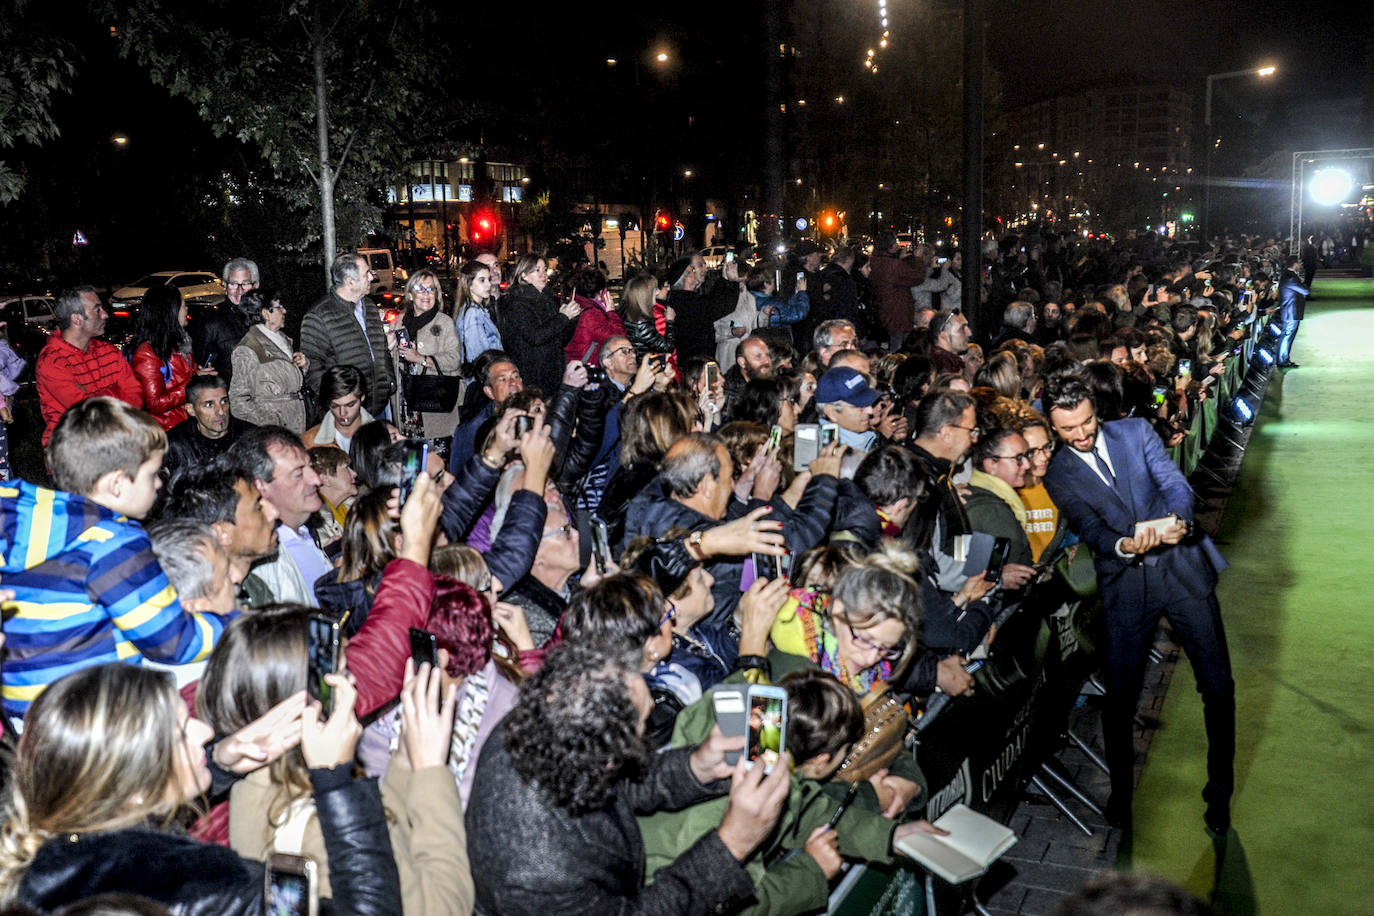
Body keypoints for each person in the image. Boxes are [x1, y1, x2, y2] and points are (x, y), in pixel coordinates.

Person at [0, 663, 401, 913]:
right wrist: (334, 780)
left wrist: (219, 765)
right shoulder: (208, 886)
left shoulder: (47, 867)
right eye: (179, 734)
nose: (205, 730)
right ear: (136, 787)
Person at [464, 640, 792, 916]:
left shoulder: (544, 719)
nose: (647, 734)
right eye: (643, 725)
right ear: (608, 759)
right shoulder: (537, 877)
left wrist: (695, 767)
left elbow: (618, 786)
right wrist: (732, 844)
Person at [1042, 374, 1234, 834]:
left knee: (1219, 689)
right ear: (1053, 426)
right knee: (1120, 701)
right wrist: (1126, 545)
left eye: (1087, 422)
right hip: (1126, 588)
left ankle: (1220, 795)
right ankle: (1121, 797)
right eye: (1069, 430)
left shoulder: (1135, 432)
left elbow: (1175, 484)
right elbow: (1091, 529)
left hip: (1183, 573)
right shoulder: (1058, 474)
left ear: (1096, 410)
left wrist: (1177, 521)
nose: (1082, 434)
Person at [199, 606, 472, 915]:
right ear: (306, 703)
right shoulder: (318, 827)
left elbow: (385, 839)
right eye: (343, 674)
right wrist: (431, 771)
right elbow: (445, 905)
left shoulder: (255, 776)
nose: (353, 685)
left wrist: (407, 759)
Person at [0, 397, 233, 719]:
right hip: (90, 718)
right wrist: (233, 623)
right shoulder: (114, 543)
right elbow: (174, 642)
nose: (160, 483)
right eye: (152, 473)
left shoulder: (32, 528)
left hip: (23, 715)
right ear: (118, 484)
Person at [228, 426, 329, 608]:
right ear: (261, 488)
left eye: (311, 467)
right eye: (298, 474)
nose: (316, 480)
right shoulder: (266, 561)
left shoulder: (303, 531)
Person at [36, 286, 142, 446]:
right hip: (73, 454)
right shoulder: (52, 361)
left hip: (118, 444)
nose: (105, 315)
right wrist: (116, 392)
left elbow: (136, 399)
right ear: (77, 319)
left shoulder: (110, 352)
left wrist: (95, 397)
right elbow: (86, 413)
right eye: (97, 310)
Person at [301, 252, 395, 419]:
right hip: (346, 416)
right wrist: (339, 402)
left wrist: (389, 382)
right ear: (351, 282)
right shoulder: (319, 316)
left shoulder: (370, 307)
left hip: (378, 408)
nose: (372, 277)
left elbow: (381, 350)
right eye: (366, 273)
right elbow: (312, 367)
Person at [394, 269, 464, 441]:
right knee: (411, 459)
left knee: (436, 458)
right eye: (420, 289)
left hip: (435, 402)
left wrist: (421, 358)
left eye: (431, 289)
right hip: (406, 404)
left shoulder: (444, 322)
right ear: (410, 295)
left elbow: (454, 360)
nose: (426, 294)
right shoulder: (399, 321)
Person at [496, 254, 580, 395]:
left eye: (544, 269)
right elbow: (535, 336)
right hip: (534, 374)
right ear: (524, 275)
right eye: (537, 270)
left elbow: (560, 339)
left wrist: (572, 319)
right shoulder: (517, 302)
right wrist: (563, 317)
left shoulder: (546, 299)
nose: (543, 274)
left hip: (553, 372)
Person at [229, 288, 310, 433]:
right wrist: (269, 423)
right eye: (279, 307)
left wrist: (302, 366)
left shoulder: (283, 339)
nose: (284, 311)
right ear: (266, 313)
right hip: (274, 433)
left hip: (296, 422)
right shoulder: (248, 348)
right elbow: (238, 401)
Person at [129, 286, 203, 432]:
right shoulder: (147, 353)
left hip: (187, 424)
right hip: (167, 430)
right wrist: (194, 382)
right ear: (171, 312)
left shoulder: (180, 344)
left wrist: (201, 376)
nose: (187, 309)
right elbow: (155, 403)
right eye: (183, 305)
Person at [162, 375, 255, 480]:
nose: (220, 411)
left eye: (224, 402)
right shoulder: (174, 444)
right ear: (191, 410)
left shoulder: (251, 437)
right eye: (209, 405)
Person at [191, 256, 259, 384]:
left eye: (245, 283)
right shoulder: (212, 321)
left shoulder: (267, 317)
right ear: (225, 285)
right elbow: (200, 366)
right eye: (233, 284)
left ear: (256, 285)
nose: (239, 290)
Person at [868, 231, 926, 349]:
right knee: (896, 349)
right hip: (896, 315)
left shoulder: (875, 261)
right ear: (892, 246)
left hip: (882, 314)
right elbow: (916, 276)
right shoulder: (893, 265)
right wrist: (918, 258)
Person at [564, 264, 625, 366]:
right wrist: (611, 312)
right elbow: (618, 338)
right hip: (587, 370)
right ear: (601, 291)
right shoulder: (591, 314)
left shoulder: (579, 305)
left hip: (577, 365)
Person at [304, 366, 371, 453]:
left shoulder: (382, 436)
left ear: (362, 398)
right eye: (335, 406)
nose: (342, 413)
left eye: (350, 405)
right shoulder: (309, 442)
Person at [815, 366, 880, 453]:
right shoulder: (821, 455)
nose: (870, 411)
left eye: (868, 403)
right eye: (859, 406)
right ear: (832, 412)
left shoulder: (866, 439)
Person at [455, 259, 503, 368]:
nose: (488, 284)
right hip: (483, 376)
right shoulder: (473, 313)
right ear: (469, 284)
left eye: (488, 279)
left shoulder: (476, 310)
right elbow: (477, 354)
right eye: (482, 280)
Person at [621, 271, 676, 358]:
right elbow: (667, 347)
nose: (658, 292)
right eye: (655, 290)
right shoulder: (641, 323)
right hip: (644, 365)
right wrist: (670, 321)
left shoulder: (631, 313)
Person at [1276, 254, 1309, 368]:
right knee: (1287, 336)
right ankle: (1282, 360)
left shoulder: (1288, 275)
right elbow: (1305, 291)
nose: (1300, 265)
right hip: (1291, 312)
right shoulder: (1290, 278)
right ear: (1295, 264)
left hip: (1290, 311)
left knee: (1287, 335)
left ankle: (1283, 359)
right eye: (1299, 263)